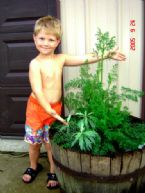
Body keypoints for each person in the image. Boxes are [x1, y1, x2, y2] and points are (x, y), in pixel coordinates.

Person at [22, 15, 126, 189]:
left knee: (50, 144)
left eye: (50, 39)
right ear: (34, 38)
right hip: (37, 109)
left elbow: (84, 58)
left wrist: (106, 54)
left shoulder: (60, 59)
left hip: (54, 109)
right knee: (34, 144)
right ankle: (33, 166)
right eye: (41, 38)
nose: (45, 43)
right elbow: (38, 90)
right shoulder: (35, 64)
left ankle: (53, 171)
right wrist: (48, 109)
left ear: (57, 41)